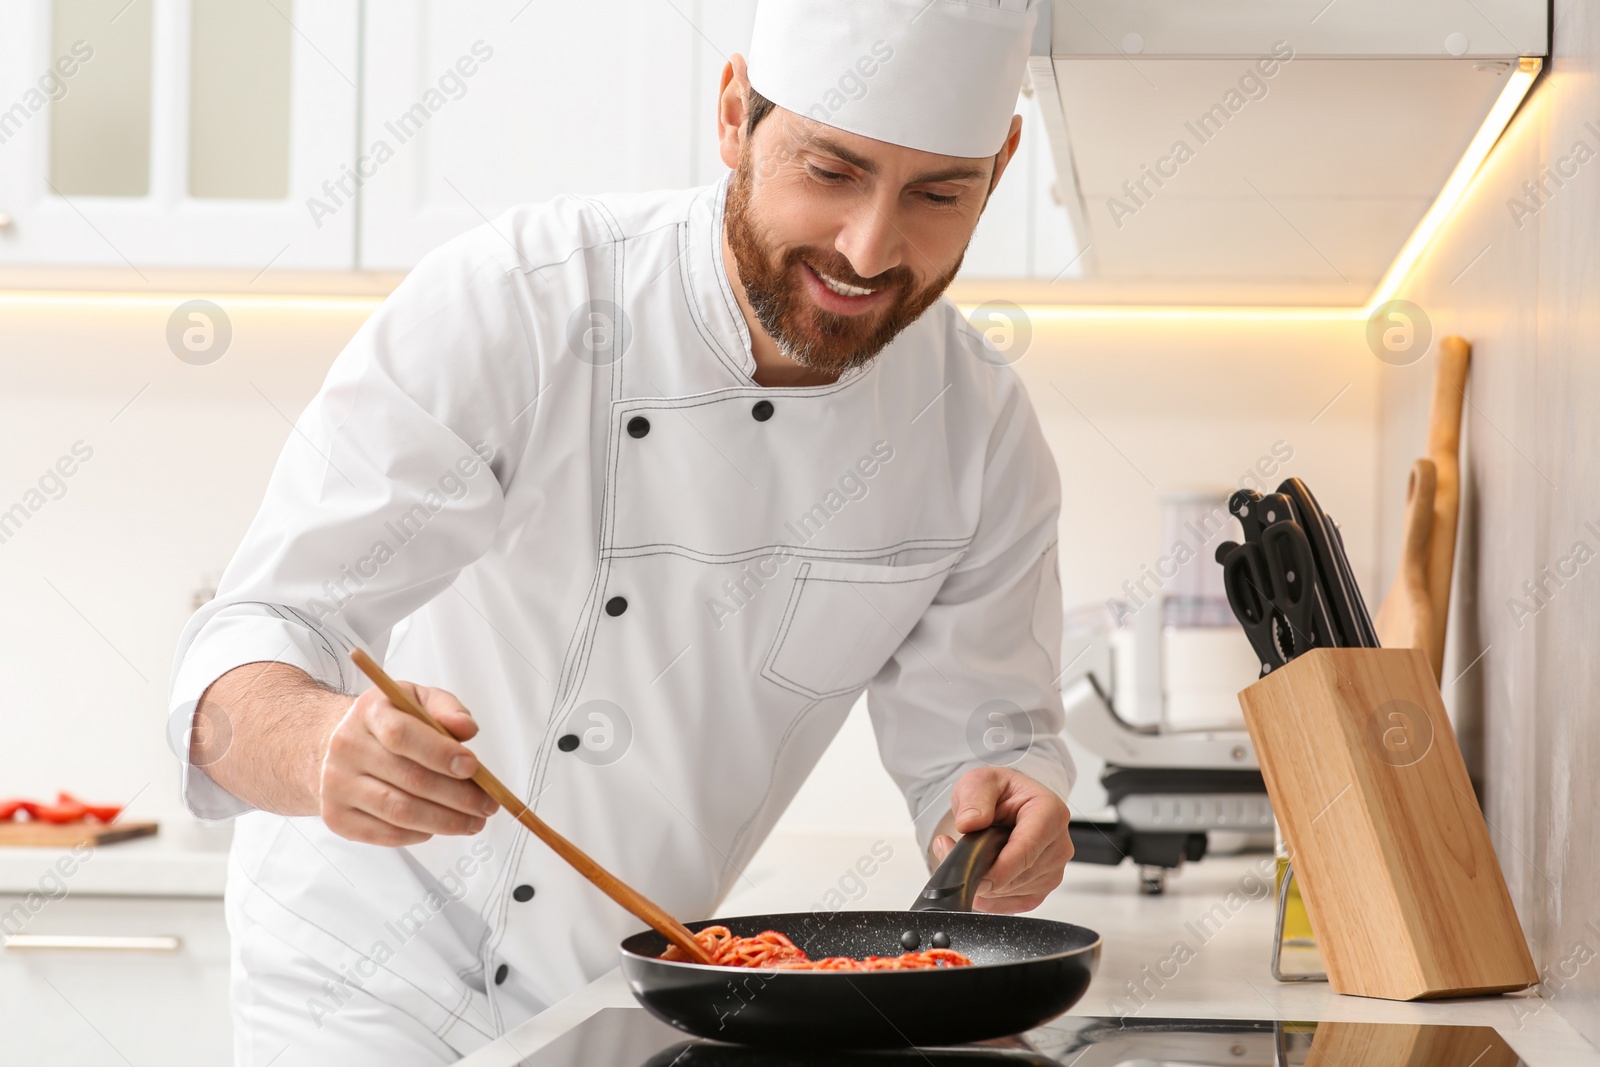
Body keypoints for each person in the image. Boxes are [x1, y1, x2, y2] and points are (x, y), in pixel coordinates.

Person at [169, 0, 1075, 1061]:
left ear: (1002, 165)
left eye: (937, 193)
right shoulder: (519, 302)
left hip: (634, 994)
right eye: (830, 171)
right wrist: (323, 744)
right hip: (362, 989)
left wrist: (1008, 805)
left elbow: (982, 751)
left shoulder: (975, 430)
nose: (869, 247)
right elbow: (250, 642)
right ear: (734, 113)